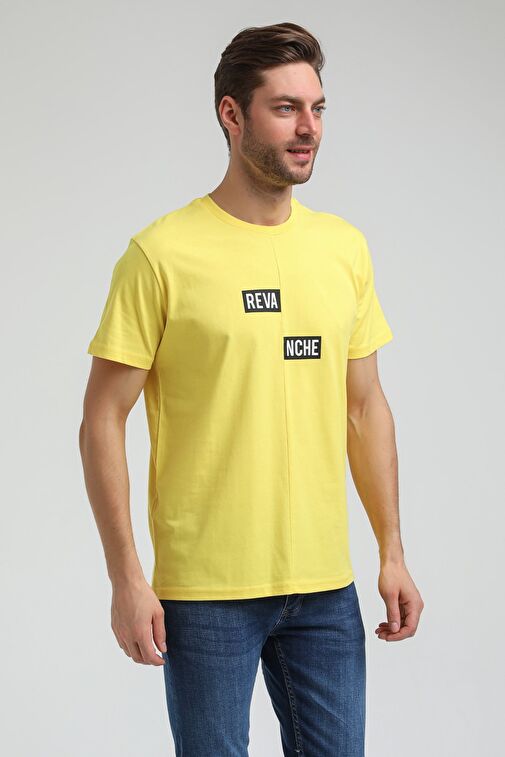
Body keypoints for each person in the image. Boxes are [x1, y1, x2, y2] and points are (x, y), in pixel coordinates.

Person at [79, 20, 424, 757]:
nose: (308, 128)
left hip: (325, 587)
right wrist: (126, 577)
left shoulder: (343, 248)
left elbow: (364, 408)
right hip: (206, 592)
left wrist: (391, 551)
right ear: (231, 114)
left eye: (317, 108)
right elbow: (102, 418)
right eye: (285, 108)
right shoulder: (161, 254)